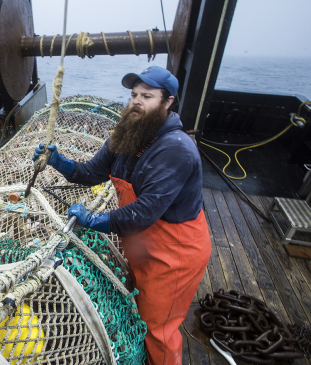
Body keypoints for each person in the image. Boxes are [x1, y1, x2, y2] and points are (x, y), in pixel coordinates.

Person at [33, 66, 211, 365]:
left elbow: (143, 213)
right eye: (134, 95)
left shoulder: (176, 150)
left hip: (175, 254)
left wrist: (92, 220)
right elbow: (92, 172)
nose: (136, 101)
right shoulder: (127, 134)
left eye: (147, 96)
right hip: (143, 244)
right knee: (141, 310)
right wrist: (59, 162)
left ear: (168, 102)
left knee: (158, 329)